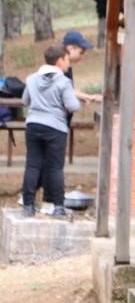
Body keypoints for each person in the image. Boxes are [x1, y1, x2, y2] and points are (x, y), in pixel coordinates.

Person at [21, 45, 81, 218]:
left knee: (32, 165)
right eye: (67, 59)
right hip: (55, 128)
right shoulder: (63, 82)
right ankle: (58, 206)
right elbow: (74, 106)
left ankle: (28, 205)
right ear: (59, 61)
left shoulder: (32, 78)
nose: (68, 63)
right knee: (55, 168)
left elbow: (25, 100)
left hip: (33, 125)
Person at [62, 30, 102, 105]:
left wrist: (83, 97)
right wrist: (91, 97)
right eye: (81, 52)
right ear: (70, 48)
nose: (82, 56)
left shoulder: (66, 67)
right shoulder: (59, 68)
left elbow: (69, 91)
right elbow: (65, 91)